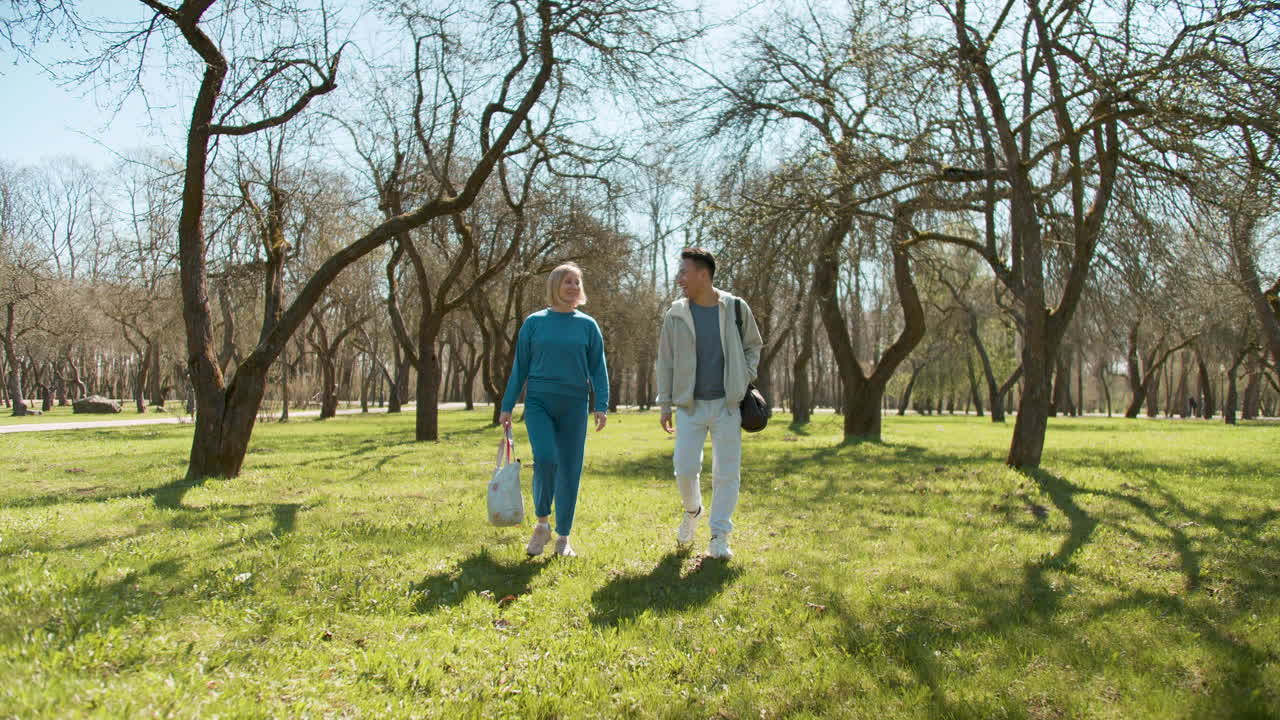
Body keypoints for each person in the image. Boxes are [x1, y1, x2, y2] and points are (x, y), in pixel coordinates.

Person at [655, 247, 763, 560]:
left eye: (684, 273)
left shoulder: (735, 308)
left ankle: (719, 536)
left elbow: (753, 346)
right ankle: (693, 511)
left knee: (727, 473)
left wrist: (743, 377)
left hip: (728, 404)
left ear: (703, 275)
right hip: (689, 406)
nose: (680, 279)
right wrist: (665, 404)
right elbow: (665, 362)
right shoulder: (676, 314)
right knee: (685, 469)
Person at [500, 262, 609, 558]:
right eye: (567, 282)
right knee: (546, 460)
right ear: (554, 286)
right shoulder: (534, 322)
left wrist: (601, 404)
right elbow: (520, 366)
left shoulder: (588, 325)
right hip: (539, 402)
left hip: (574, 404)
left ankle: (563, 537)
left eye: (577, 282)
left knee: (570, 469)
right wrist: (507, 405)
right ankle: (542, 524)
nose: (573, 287)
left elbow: (598, 368)